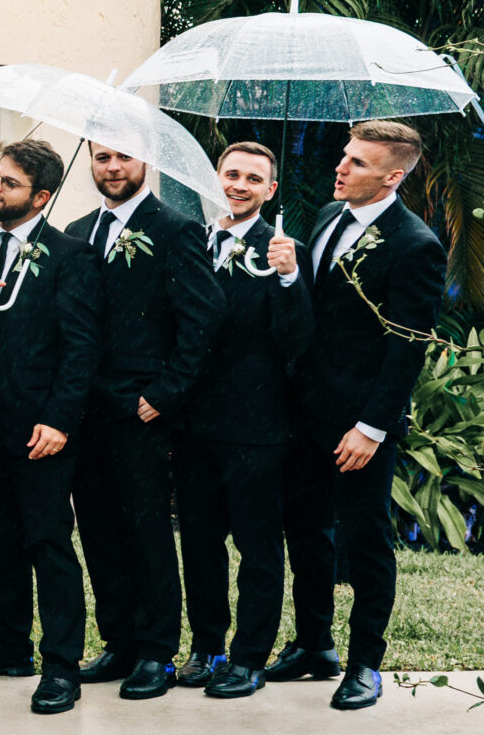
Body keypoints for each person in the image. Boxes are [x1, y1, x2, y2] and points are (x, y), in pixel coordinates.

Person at [264, 121, 446, 712]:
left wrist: (371, 428)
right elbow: (314, 317)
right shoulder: (325, 217)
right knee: (306, 533)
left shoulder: (414, 244)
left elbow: (407, 346)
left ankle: (366, 663)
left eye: (358, 164)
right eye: (345, 157)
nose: (341, 168)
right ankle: (314, 645)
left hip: (360, 426)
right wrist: (291, 274)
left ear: (393, 176)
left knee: (367, 543)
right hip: (306, 415)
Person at [65, 142, 225, 699]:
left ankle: (156, 652)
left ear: (145, 164)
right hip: (84, 410)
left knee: (148, 532)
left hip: (141, 408)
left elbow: (204, 316)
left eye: (124, 158)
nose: (112, 168)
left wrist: (166, 393)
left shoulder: (176, 228)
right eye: (103, 157)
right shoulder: (78, 229)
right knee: (100, 531)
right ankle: (119, 641)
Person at [0, 139, 100, 716]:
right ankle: (6, 644)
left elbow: (81, 347)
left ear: (41, 197)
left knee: (47, 541)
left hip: (40, 426)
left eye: (9, 182)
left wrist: (60, 419)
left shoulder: (69, 255)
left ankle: (61, 665)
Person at [174, 142, 313, 699]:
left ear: (269, 190)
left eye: (253, 178)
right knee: (200, 544)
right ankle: (206, 646)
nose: (239, 184)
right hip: (191, 424)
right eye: (231, 174)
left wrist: (287, 278)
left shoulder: (284, 251)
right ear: (215, 178)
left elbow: (299, 341)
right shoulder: (190, 241)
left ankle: (249, 656)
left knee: (257, 548)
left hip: (257, 427)